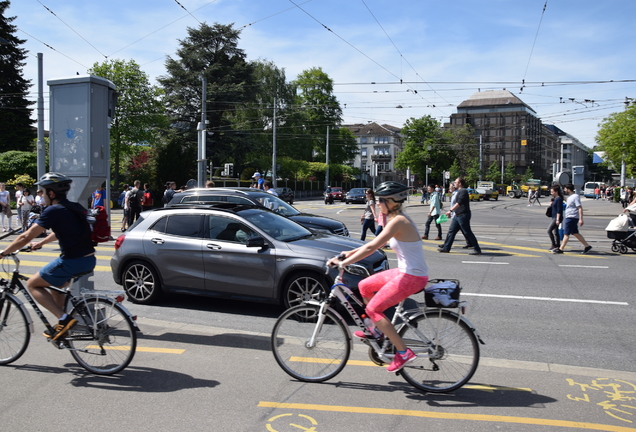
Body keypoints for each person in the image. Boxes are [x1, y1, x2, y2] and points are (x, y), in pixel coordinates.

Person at [327, 181, 428, 373]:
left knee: (373, 309)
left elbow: (371, 247)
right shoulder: (394, 219)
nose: (377, 203)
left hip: (413, 277)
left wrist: (344, 263)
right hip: (405, 271)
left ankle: (404, 352)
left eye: (380, 200)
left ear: (392, 201)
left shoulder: (399, 221)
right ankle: (377, 330)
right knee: (364, 286)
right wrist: (346, 254)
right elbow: (373, 244)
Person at [0, 172, 96, 341]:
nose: (41, 195)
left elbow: (25, 236)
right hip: (88, 259)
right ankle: (61, 326)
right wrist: (41, 243)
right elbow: (62, 232)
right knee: (56, 286)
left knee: (33, 284)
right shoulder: (73, 207)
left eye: (43, 192)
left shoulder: (53, 210)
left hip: (72, 260)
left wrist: (4, 252)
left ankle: (64, 319)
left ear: (51, 194)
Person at [439, 177, 481, 255]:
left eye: (456, 182)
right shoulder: (458, 192)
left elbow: (459, 203)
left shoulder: (463, 191)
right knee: (451, 231)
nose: (454, 183)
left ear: (460, 184)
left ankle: (477, 249)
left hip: (463, 215)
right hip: (457, 215)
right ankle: (446, 248)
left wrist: (450, 211)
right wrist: (453, 213)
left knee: (467, 232)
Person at [553, 183, 592, 254]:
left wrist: (581, 219)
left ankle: (561, 249)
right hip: (570, 216)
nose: (564, 190)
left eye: (565, 189)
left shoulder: (575, 196)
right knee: (575, 233)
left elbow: (579, 207)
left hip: (572, 217)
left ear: (568, 189)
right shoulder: (571, 197)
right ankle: (587, 246)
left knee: (566, 233)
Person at [547, 184, 564, 252]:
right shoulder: (555, 199)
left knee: (549, 230)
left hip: (557, 218)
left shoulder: (559, 199)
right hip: (554, 217)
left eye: (552, 192)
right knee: (556, 232)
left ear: (556, 191)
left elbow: (559, 210)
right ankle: (557, 245)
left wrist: (557, 219)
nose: (551, 193)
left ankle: (554, 245)